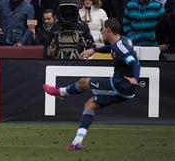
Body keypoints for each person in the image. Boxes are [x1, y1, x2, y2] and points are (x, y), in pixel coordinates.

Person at [43, 18, 140, 151]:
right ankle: (77, 142)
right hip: (125, 88)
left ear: (108, 30)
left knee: (84, 82)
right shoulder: (121, 41)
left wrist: (135, 78)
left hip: (120, 85)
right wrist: (94, 50)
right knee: (89, 105)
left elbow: (133, 62)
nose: (101, 32)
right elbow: (111, 48)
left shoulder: (121, 47)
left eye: (102, 29)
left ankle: (62, 92)